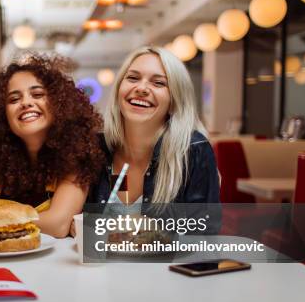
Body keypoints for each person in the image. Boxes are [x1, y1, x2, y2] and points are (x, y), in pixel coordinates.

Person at [0, 55, 104, 238]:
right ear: (2, 115)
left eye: (37, 94)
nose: (26, 103)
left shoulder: (75, 155)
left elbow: (57, 224)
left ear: (58, 104)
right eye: (13, 99)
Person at [88, 46, 219, 227]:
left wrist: (156, 233)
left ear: (174, 101)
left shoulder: (194, 150)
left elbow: (204, 235)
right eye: (133, 78)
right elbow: (75, 223)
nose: (141, 88)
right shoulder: (95, 148)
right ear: (119, 89)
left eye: (158, 83)